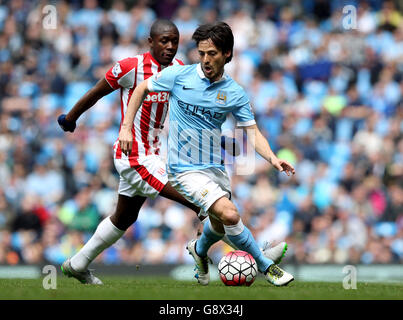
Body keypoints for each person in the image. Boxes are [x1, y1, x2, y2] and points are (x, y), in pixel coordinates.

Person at [57, 20, 287, 284]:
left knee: (124, 217)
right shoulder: (131, 66)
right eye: (163, 41)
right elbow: (97, 92)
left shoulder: (181, 71)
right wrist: (71, 118)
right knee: (204, 203)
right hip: (134, 156)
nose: (169, 46)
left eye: (174, 41)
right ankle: (258, 255)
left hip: (157, 155)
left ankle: (77, 264)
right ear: (150, 42)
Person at [119, 22, 295, 286]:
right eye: (201, 54)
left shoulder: (234, 93)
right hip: (183, 170)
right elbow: (142, 88)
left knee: (218, 225)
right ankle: (266, 266)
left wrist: (272, 158)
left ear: (227, 54)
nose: (205, 60)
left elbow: (253, 132)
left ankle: (199, 250)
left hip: (215, 169)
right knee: (230, 214)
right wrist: (126, 128)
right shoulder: (180, 76)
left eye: (211, 54)